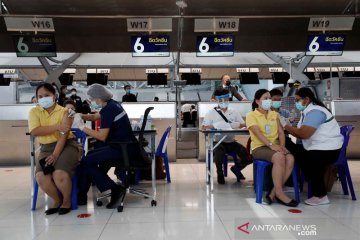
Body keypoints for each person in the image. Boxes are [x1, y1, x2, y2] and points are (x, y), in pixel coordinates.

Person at [280, 87, 343, 206]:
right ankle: (293, 184)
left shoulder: (316, 112)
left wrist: (285, 126)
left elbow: (304, 134)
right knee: (292, 148)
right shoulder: (308, 111)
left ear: (307, 99)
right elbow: (301, 130)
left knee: (307, 159)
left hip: (327, 150)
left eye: (298, 100)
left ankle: (320, 195)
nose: (296, 103)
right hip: (319, 147)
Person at [74, 84, 131, 209]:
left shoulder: (109, 109)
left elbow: (102, 136)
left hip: (120, 149)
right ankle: (82, 194)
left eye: (93, 99)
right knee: (88, 158)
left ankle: (112, 189)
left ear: (99, 97)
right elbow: (95, 116)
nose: (92, 101)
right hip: (122, 146)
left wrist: (82, 127)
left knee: (86, 161)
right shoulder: (112, 104)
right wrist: (80, 115)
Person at [28, 83, 79, 215]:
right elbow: (35, 131)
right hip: (45, 148)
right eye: (40, 96)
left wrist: (55, 155)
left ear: (54, 96)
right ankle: (57, 200)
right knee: (40, 176)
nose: (43, 98)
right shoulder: (34, 112)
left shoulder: (66, 112)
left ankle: (66, 201)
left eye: (46, 95)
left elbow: (64, 134)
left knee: (59, 173)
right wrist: (57, 126)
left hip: (67, 145)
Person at [246, 89, 297, 207]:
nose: (269, 100)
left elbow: (280, 133)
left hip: (275, 147)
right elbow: (258, 133)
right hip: (260, 148)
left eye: (269, 98)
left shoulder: (275, 114)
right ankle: (280, 193)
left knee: (290, 159)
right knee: (279, 157)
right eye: (265, 98)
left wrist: (282, 147)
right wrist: (271, 145)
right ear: (257, 101)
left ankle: (273, 192)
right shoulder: (251, 115)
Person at [202, 89, 252, 184]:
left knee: (248, 157)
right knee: (218, 152)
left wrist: (234, 125)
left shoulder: (234, 112)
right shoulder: (211, 113)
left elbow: (244, 124)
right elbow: (204, 127)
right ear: (216, 100)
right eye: (221, 100)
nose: (223, 102)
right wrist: (215, 125)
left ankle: (236, 168)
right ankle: (220, 173)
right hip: (218, 142)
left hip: (231, 142)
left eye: (226, 99)